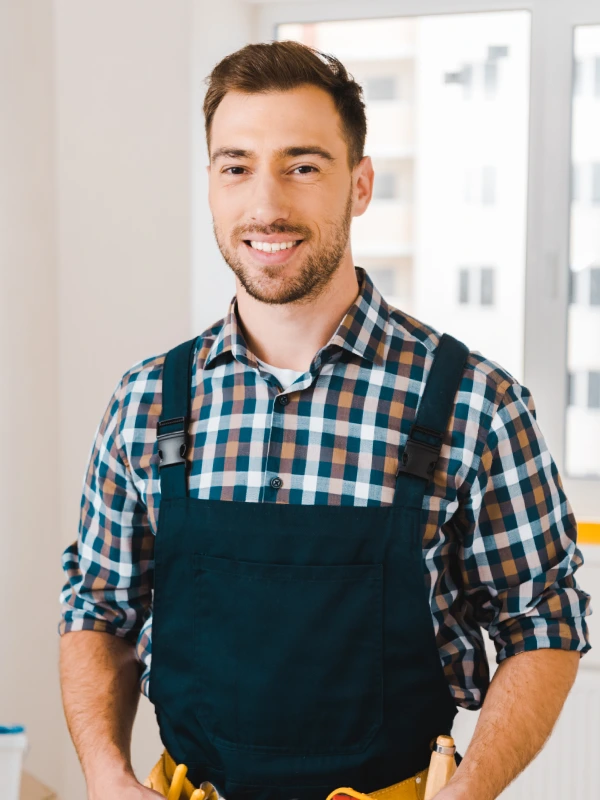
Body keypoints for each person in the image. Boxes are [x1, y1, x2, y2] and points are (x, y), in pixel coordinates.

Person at [58, 40, 591, 800]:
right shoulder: (145, 402)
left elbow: (543, 622)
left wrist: (469, 792)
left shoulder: (477, 405)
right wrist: (107, 777)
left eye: (303, 166)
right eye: (236, 166)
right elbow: (97, 609)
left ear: (362, 183)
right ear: (210, 183)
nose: (266, 205)